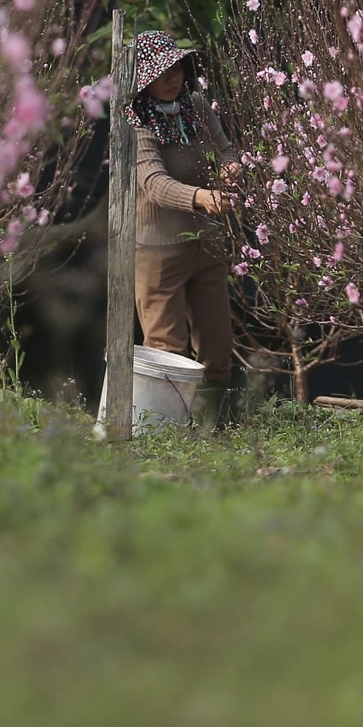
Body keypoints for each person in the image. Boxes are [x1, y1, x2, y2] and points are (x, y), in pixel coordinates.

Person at [126, 29, 240, 428]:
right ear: (143, 80)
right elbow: (153, 183)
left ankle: (216, 428)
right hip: (157, 249)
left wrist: (230, 166)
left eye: (176, 67)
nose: (172, 77)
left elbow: (225, 147)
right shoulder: (137, 121)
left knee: (217, 343)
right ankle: (162, 431)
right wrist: (201, 197)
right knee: (165, 346)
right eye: (161, 73)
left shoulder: (194, 105)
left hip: (205, 242)